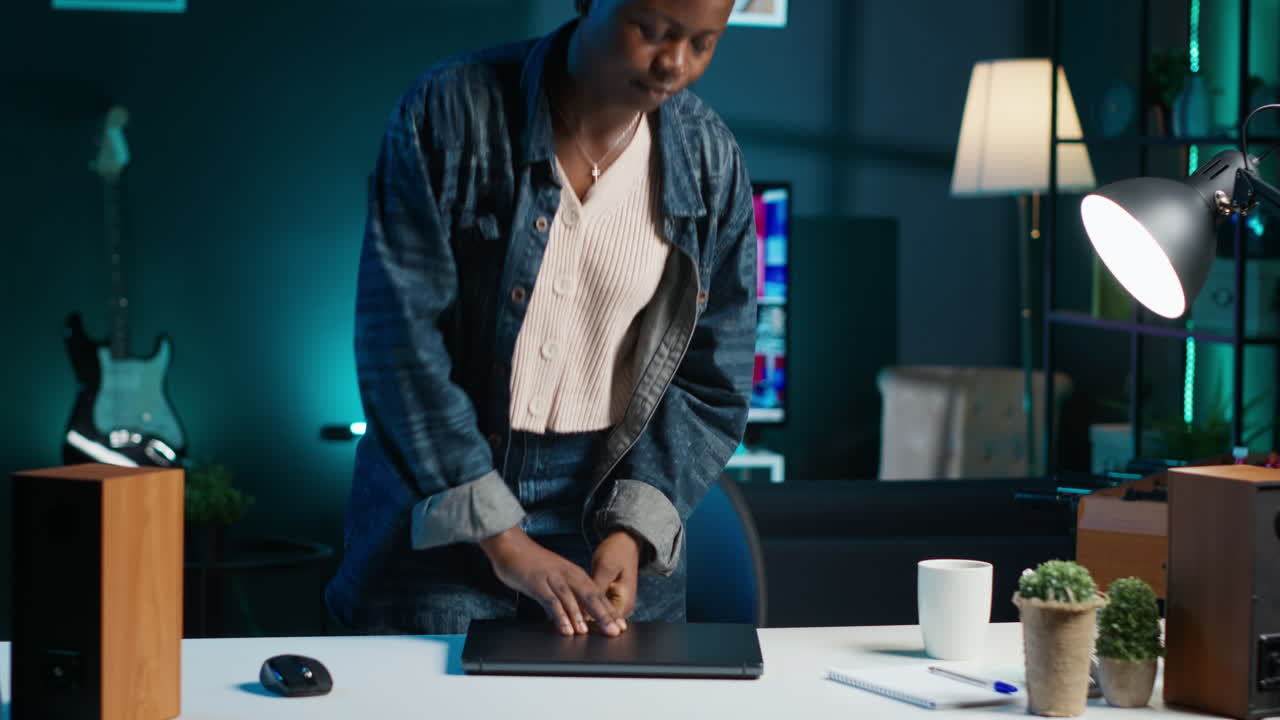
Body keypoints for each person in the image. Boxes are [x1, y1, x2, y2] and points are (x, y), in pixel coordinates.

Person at [324, 0, 758, 637]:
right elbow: (400, 345)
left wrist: (632, 529)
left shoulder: (710, 162)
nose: (672, 64)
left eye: (702, 44)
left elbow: (711, 380)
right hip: (443, 498)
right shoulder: (450, 112)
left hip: (610, 495)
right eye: (652, 31)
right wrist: (500, 537)